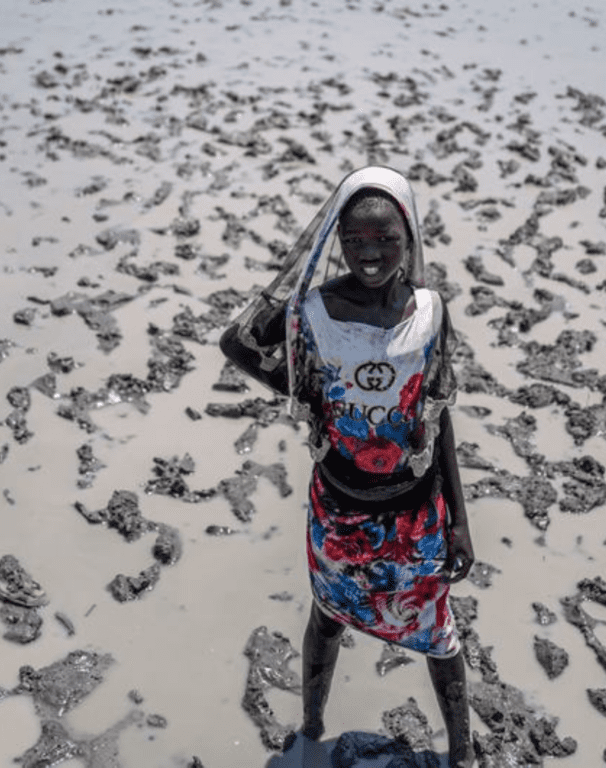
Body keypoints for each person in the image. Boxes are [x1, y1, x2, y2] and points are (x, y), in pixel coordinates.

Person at [219, 166, 475, 767]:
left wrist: (460, 521)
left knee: (439, 635)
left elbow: (437, 420)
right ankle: (310, 727)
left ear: (409, 239)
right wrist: (303, 391)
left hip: (415, 513)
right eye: (355, 239)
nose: (370, 253)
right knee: (328, 620)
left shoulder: (430, 314)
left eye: (386, 239)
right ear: (336, 240)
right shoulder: (314, 309)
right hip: (338, 512)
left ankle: (463, 754)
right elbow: (239, 342)